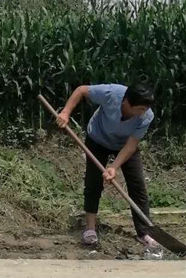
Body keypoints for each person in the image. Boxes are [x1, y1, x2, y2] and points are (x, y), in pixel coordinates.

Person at [57, 82, 158, 248]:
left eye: (145, 109)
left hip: (124, 145)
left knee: (138, 186)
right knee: (93, 182)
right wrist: (66, 113)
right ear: (126, 102)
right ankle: (90, 228)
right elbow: (81, 90)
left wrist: (114, 167)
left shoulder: (147, 116)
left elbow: (131, 145)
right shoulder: (112, 94)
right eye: (140, 109)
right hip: (98, 139)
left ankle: (144, 232)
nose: (143, 113)